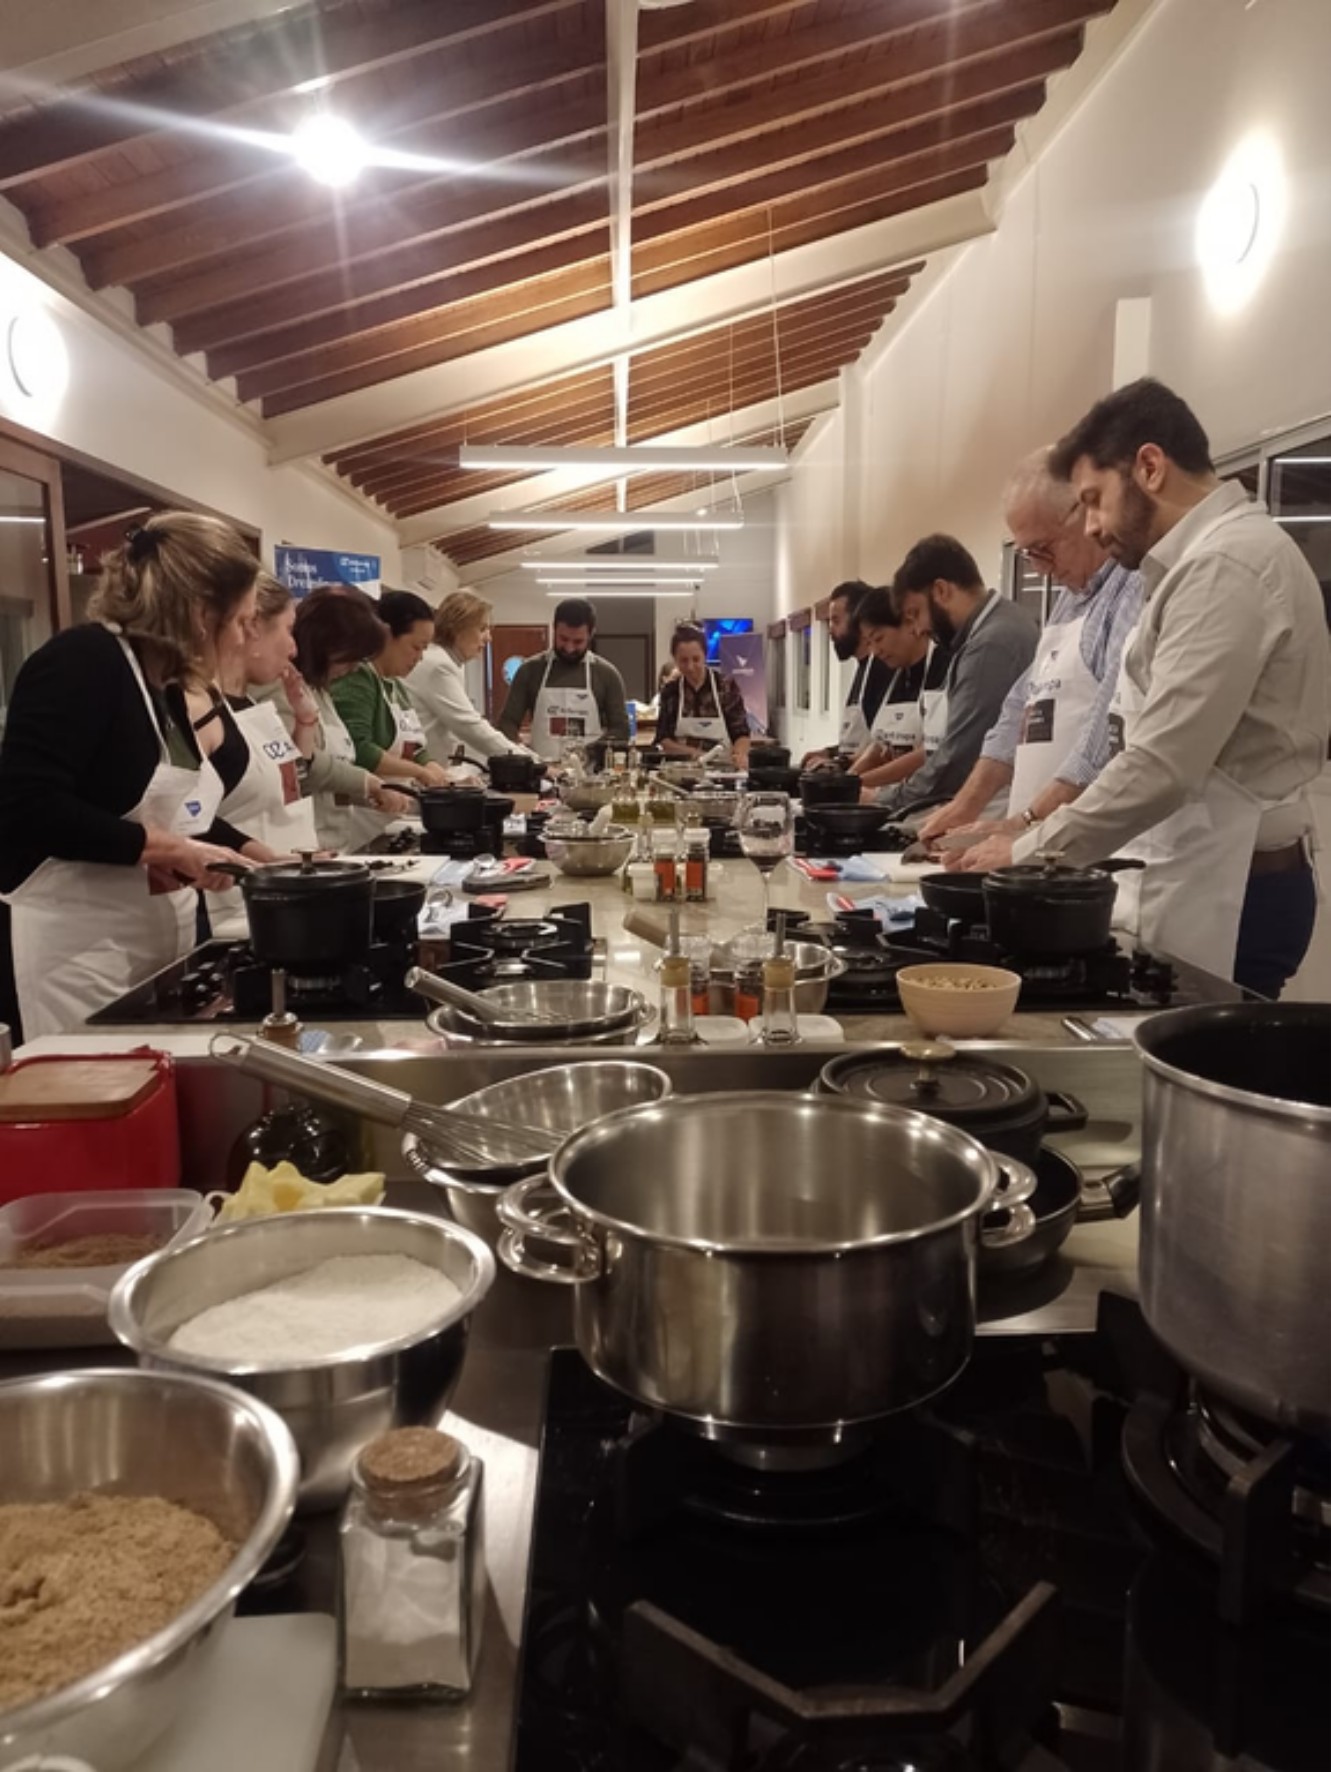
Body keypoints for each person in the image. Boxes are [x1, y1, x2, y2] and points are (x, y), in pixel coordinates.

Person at [959, 378, 1330, 997]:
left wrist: (1034, 848)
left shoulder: (1225, 565)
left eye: (1095, 500)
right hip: (1193, 870)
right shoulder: (1186, 568)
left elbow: (1161, 765)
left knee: (1202, 1079)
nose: (1096, 526)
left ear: (1150, 468)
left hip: (1234, 888)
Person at [0, 513, 258, 1039]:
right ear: (200, 613)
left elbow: (173, 815)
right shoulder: (83, 662)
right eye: (240, 622)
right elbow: (26, 805)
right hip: (72, 952)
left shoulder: (161, 683)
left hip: (148, 943)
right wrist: (165, 850)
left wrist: (239, 855)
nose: (240, 640)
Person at [917, 449, 1143, 849]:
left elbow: (1106, 734)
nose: (1039, 568)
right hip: (1034, 847)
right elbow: (1018, 708)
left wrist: (1027, 822)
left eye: (1043, 549)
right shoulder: (1069, 598)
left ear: (1085, 514)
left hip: (1086, 850)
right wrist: (966, 805)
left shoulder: (1131, 588)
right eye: (1027, 554)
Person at [870, 536, 1038, 819]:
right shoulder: (976, 639)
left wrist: (884, 799)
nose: (918, 629)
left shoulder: (992, 645)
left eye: (916, 614)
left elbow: (956, 760)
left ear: (941, 590)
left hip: (989, 815)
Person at [271, 585, 415, 852]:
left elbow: (333, 774)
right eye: (348, 658)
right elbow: (304, 768)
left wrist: (372, 794)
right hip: (304, 848)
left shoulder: (319, 691)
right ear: (324, 644)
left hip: (335, 846)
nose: (353, 668)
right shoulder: (280, 691)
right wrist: (369, 783)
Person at [331, 588, 456, 796]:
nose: (420, 657)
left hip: (396, 806)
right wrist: (419, 772)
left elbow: (413, 748)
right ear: (387, 635)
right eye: (417, 647)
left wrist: (433, 767)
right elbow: (359, 749)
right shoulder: (358, 678)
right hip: (364, 816)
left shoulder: (395, 685)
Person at [407, 589, 537, 763]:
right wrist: (530, 761)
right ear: (457, 629)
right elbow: (470, 727)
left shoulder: (450, 662)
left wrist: (522, 753)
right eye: (482, 629)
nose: (488, 638)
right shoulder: (439, 666)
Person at [846, 584, 950, 795]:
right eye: (869, 643)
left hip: (929, 799)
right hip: (890, 798)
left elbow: (930, 752)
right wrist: (848, 778)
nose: (876, 651)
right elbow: (879, 746)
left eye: (879, 638)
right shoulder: (889, 673)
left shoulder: (945, 666)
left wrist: (858, 783)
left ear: (908, 624)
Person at [497, 596, 629, 757]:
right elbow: (507, 722)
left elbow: (621, 730)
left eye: (578, 641)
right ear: (554, 628)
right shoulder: (530, 670)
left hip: (591, 776)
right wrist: (522, 752)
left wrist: (590, 752)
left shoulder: (606, 674)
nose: (569, 648)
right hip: (542, 772)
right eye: (563, 639)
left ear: (591, 634)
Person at [799, 580, 892, 769]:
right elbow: (858, 743)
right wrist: (830, 753)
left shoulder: (883, 670)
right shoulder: (861, 669)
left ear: (859, 620)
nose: (830, 630)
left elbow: (884, 747)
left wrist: (843, 768)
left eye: (836, 620)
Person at [655, 624, 752, 768]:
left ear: (705, 656)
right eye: (683, 660)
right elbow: (663, 738)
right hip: (682, 769)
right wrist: (697, 755)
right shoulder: (671, 691)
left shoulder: (725, 686)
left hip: (722, 768)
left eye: (696, 659)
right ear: (675, 659)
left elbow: (741, 733)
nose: (690, 667)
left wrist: (740, 755)